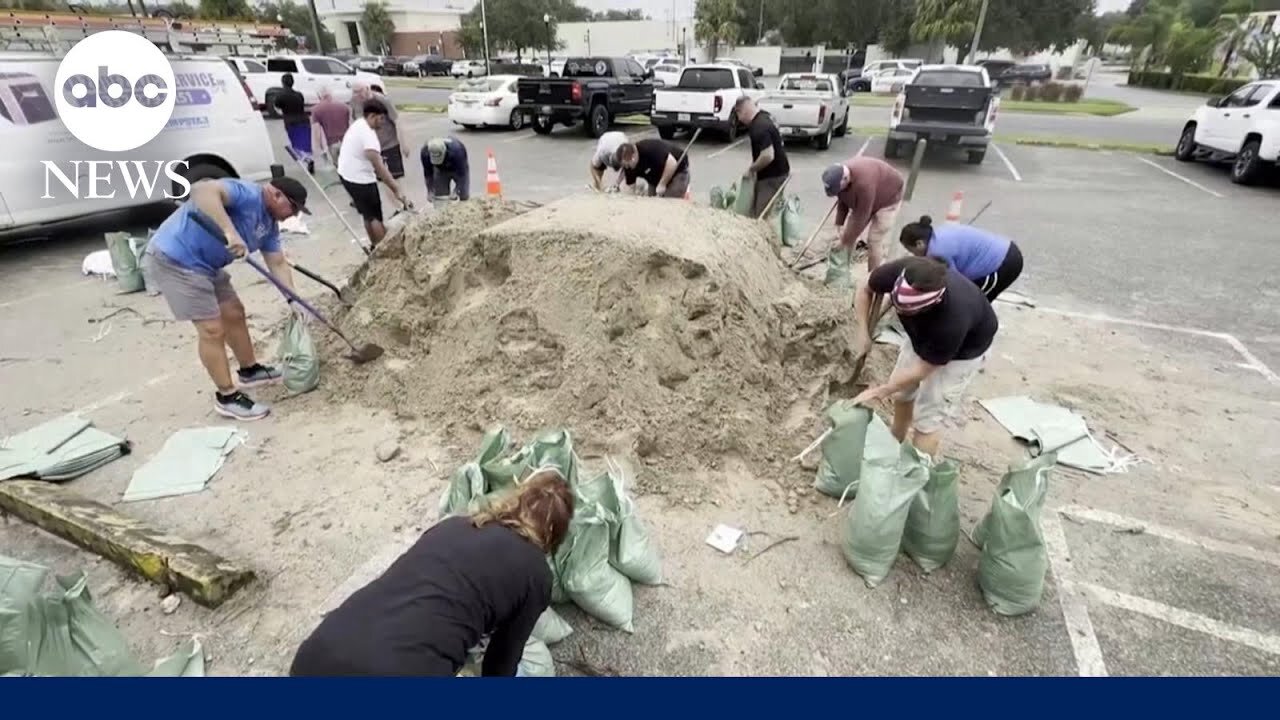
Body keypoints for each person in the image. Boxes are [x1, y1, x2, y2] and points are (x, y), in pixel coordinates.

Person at [288, 470, 575, 677]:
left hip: (315, 657)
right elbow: (501, 664)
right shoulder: (536, 572)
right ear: (554, 534)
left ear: (514, 500)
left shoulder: (455, 525)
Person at [142, 177, 309, 420]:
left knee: (233, 312)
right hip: (176, 259)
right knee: (211, 329)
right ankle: (227, 396)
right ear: (276, 195)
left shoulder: (270, 225)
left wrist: (294, 300)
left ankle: (250, 371)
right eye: (292, 207)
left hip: (207, 264)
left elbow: (277, 262)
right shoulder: (246, 194)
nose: (292, 215)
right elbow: (202, 189)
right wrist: (230, 231)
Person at [850, 256, 998, 458]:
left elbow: (924, 369)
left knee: (927, 418)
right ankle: (893, 444)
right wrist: (863, 333)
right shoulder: (902, 271)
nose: (902, 314)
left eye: (909, 311)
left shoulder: (952, 321)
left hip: (961, 353)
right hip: (921, 338)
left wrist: (881, 390)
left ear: (931, 305)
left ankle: (915, 472)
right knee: (901, 394)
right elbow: (864, 288)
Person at [899, 216, 1024, 302]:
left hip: (1001, 264)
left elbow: (954, 284)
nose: (914, 255)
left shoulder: (937, 252)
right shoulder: (939, 233)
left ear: (919, 244)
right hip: (1005, 249)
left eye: (911, 250)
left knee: (974, 304)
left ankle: (973, 337)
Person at [338, 99, 409, 248]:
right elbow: (380, 168)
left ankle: (374, 245)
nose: (383, 122)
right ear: (371, 116)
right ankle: (383, 248)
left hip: (346, 174)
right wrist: (396, 189)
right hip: (359, 179)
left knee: (367, 213)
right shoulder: (368, 137)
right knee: (375, 216)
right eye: (381, 118)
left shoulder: (359, 124)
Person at [821, 157, 904, 279]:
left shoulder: (864, 184)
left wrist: (844, 241)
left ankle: (873, 277)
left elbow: (861, 216)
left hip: (888, 198)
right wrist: (839, 224)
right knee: (848, 235)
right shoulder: (840, 177)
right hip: (869, 198)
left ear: (845, 179)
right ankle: (843, 272)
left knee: (874, 239)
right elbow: (843, 200)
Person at [732, 95, 790, 218]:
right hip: (779, 170)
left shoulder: (759, 127)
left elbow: (768, 155)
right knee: (764, 208)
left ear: (742, 111)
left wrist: (751, 169)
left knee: (762, 214)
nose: (740, 120)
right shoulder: (765, 115)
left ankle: (764, 235)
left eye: (738, 116)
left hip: (772, 176)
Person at [350, 81, 407, 181]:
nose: (358, 95)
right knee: (380, 179)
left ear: (367, 89)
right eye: (355, 92)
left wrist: (403, 144)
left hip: (390, 144)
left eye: (360, 91)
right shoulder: (355, 102)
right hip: (373, 147)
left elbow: (397, 120)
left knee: (395, 177)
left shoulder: (382, 100)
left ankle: (399, 195)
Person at [618, 138, 689, 198]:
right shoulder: (628, 167)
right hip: (654, 176)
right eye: (625, 166)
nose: (627, 168)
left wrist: (662, 184)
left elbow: (672, 163)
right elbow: (631, 187)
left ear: (633, 157)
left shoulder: (649, 149)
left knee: (669, 200)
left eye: (627, 165)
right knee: (651, 200)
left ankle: (683, 193)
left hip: (676, 170)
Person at [273, 73, 312, 173]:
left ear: (282, 83)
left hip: (291, 122)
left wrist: (282, 113)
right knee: (305, 143)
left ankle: (305, 160)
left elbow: (277, 108)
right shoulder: (299, 94)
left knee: (295, 144)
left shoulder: (280, 96)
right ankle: (309, 159)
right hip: (304, 120)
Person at [421, 137, 470, 202]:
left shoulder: (457, 151)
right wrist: (430, 191)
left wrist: (456, 190)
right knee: (440, 196)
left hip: (457, 169)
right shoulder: (425, 152)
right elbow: (428, 174)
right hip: (440, 170)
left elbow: (462, 175)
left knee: (463, 194)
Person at [310, 86, 351, 165]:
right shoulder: (344, 107)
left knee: (337, 166)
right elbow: (350, 124)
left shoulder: (316, 109)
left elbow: (316, 132)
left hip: (331, 143)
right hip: (346, 141)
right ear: (331, 95)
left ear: (319, 96)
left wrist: (319, 149)